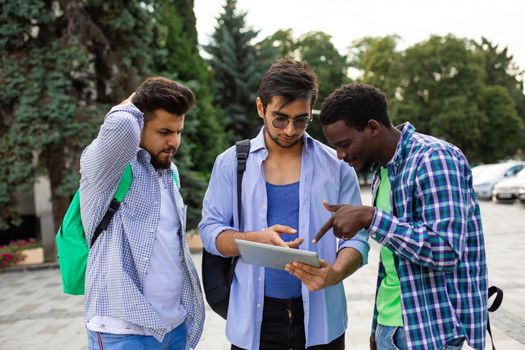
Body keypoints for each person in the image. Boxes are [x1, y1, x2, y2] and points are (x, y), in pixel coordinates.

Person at [199, 60, 370, 350]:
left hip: (321, 318)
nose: (290, 129)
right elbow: (209, 232)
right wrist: (254, 239)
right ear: (260, 108)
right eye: (280, 118)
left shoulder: (337, 167)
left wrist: (336, 272)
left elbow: (359, 237)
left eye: (301, 119)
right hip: (254, 321)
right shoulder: (230, 163)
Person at [308, 83, 488, 350]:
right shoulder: (384, 173)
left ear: (372, 127)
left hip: (430, 334)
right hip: (392, 329)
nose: (341, 155)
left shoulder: (434, 159)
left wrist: (370, 218)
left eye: (344, 144)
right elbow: (395, 262)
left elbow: (446, 250)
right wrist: (378, 327)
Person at [80, 77, 204, 349]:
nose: (174, 141)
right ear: (139, 126)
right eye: (163, 132)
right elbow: (121, 124)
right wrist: (140, 97)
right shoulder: (106, 171)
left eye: (178, 131)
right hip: (122, 330)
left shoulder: (169, 173)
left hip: (173, 327)